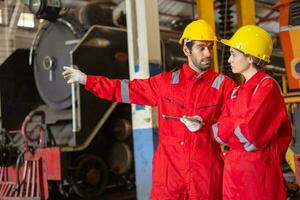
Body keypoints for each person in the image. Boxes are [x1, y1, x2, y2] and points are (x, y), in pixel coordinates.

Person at [63, 19, 236, 200]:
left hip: (205, 174)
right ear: (186, 50)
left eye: (210, 47)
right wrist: (87, 80)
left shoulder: (224, 86)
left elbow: (233, 125)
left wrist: (205, 126)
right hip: (169, 174)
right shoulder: (166, 84)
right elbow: (125, 89)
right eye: (201, 48)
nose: (208, 53)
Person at [212, 25, 292, 200]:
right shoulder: (235, 92)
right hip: (233, 174)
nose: (228, 60)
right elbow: (218, 132)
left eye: (233, 54)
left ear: (249, 57)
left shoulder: (267, 87)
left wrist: (232, 127)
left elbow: (252, 134)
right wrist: (236, 125)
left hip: (258, 175)